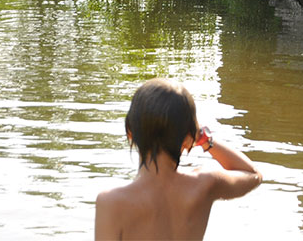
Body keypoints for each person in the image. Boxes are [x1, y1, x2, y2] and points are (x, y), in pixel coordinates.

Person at [94, 78, 262, 240]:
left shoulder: (112, 203)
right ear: (189, 138)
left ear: (130, 132)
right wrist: (204, 139)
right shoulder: (203, 185)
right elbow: (252, 175)